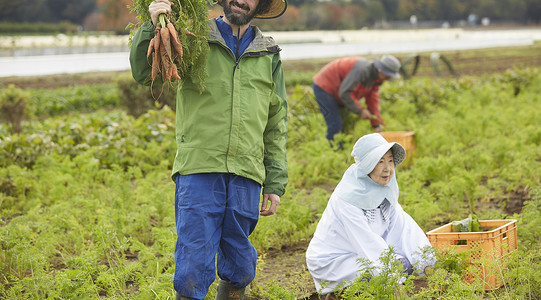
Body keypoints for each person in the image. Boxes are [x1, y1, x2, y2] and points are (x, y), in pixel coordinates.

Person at [129, 0, 288, 299]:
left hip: (246, 173)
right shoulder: (193, 37)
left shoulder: (269, 53)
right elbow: (143, 72)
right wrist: (153, 24)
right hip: (199, 170)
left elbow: (276, 121)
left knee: (241, 264)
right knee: (192, 267)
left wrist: (275, 181)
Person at [305, 133, 434, 299]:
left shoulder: (384, 189)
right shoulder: (348, 198)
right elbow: (367, 243)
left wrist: (428, 265)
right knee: (384, 272)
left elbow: (406, 229)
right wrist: (394, 283)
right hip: (334, 261)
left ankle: (351, 291)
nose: (388, 168)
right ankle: (340, 293)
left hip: (358, 253)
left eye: (390, 160)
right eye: (380, 161)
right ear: (366, 165)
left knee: (404, 265)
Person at [312, 55, 401, 141]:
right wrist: (360, 111)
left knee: (344, 122)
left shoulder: (376, 79)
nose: (388, 78)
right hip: (324, 87)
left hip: (339, 91)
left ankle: (340, 147)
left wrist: (376, 125)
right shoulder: (362, 71)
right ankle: (334, 151)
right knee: (335, 123)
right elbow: (345, 92)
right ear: (380, 70)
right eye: (387, 75)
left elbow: (372, 101)